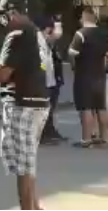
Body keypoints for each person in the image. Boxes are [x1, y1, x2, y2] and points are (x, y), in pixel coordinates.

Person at [0, 0, 51, 210]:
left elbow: (2, 74)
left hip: (22, 104)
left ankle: (28, 207)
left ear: (13, 13)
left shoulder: (17, 35)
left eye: (2, 14)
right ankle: (34, 207)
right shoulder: (35, 33)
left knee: (23, 167)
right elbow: (12, 70)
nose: (1, 19)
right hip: (38, 102)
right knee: (28, 163)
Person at [68, 6, 108, 149]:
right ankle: (104, 138)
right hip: (100, 76)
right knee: (101, 107)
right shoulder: (105, 34)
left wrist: (74, 66)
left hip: (84, 76)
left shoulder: (81, 34)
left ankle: (86, 140)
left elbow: (72, 53)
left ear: (84, 18)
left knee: (86, 108)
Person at [35, 16, 68, 145]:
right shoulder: (38, 42)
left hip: (50, 80)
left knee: (48, 108)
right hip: (42, 80)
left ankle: (48, 132)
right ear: (48, 30)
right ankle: (41, 135)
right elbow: (41, 63)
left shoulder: (47, 41)